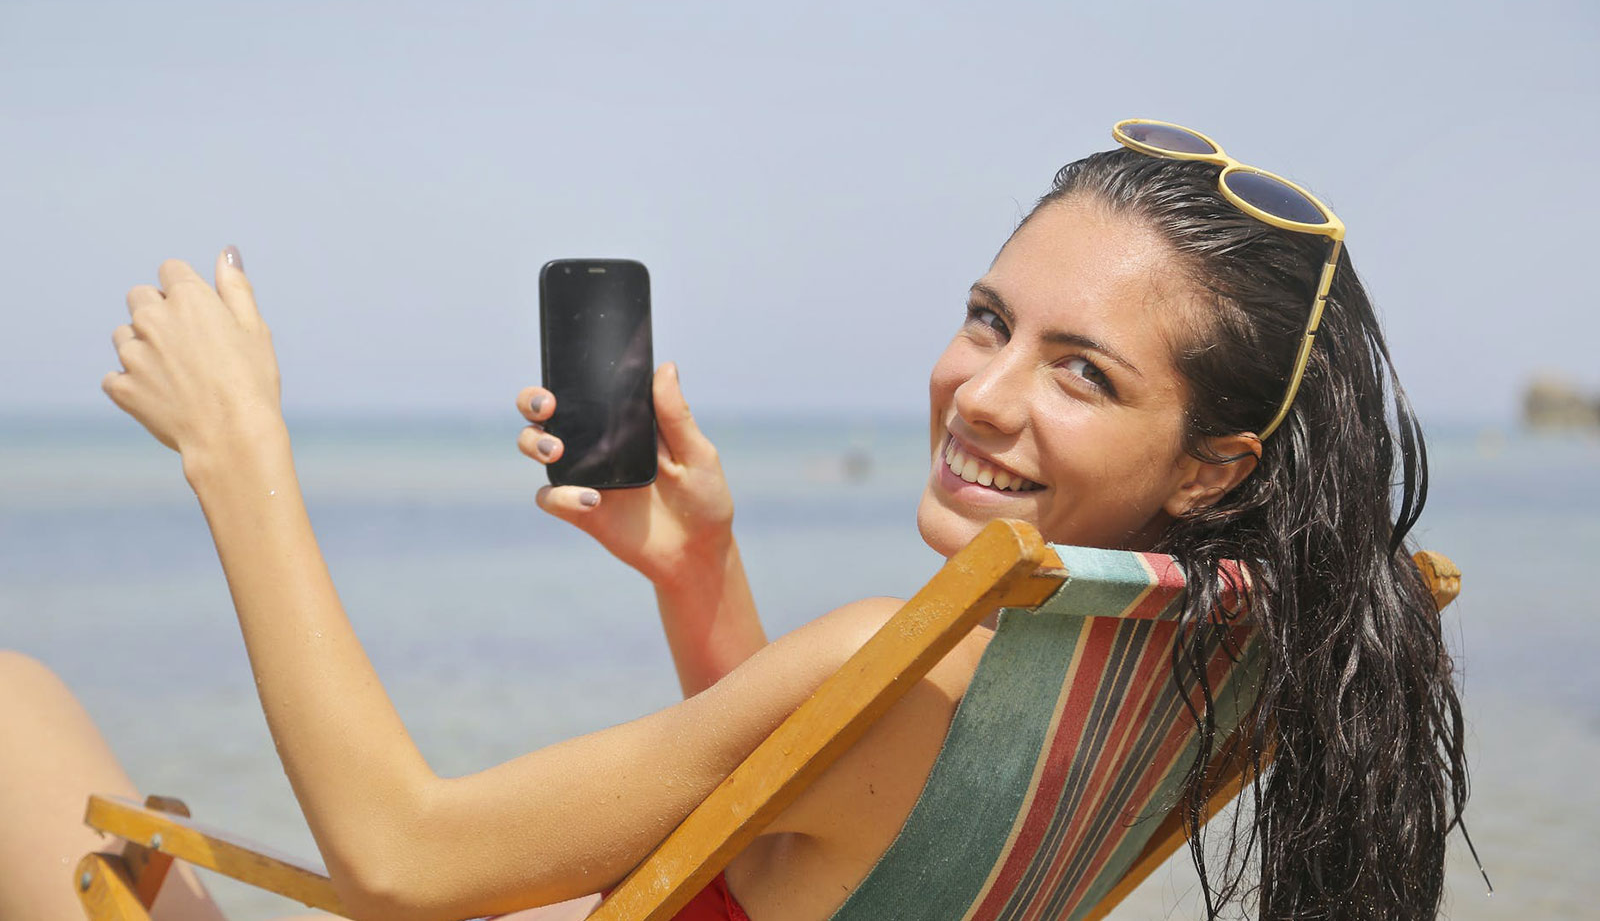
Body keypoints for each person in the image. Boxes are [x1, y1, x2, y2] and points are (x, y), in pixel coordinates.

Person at [0, 121, 1468, 921]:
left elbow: (400, 861)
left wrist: (238, 449)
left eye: (1079, 373)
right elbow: (823, 847)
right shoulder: (1193, 651)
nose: (981, 393)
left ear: (1212, 464)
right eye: (987, 320)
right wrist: (696, 570)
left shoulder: (911, 659)